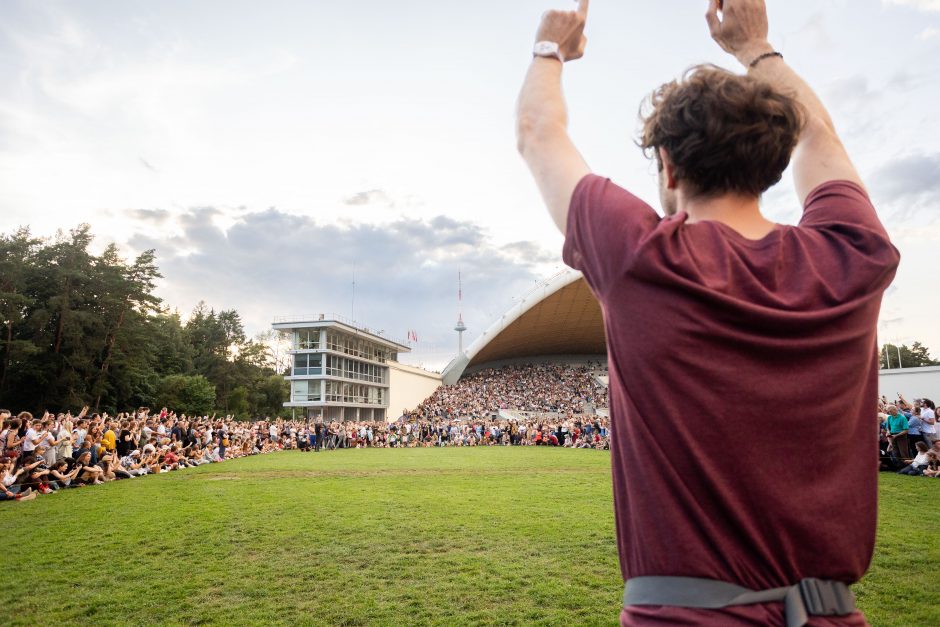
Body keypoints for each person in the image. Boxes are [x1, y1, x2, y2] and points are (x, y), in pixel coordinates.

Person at [516, 1, 899, 625]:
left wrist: (551, 45)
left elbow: (538, 132)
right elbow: (821, 138)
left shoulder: (645, 257)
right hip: (833, 613)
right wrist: (756, 48)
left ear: (667, 166)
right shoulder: (851, 255)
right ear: (774, 165)